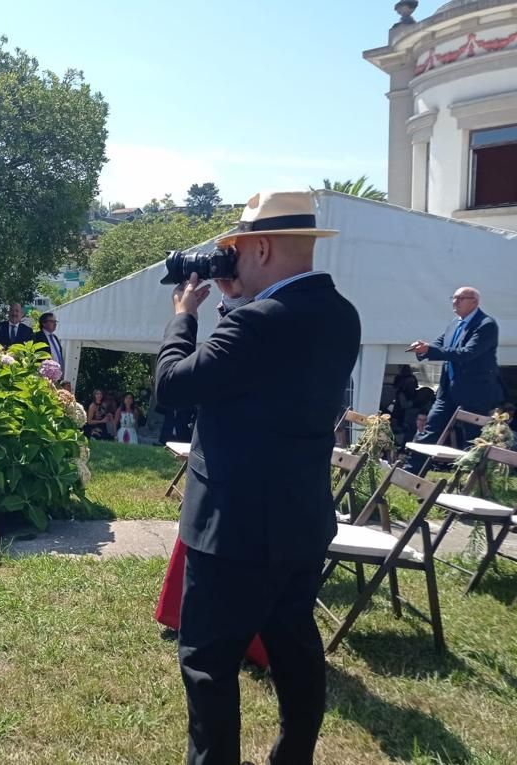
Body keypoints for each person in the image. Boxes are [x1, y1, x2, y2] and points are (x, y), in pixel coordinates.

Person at [155, 191, 361, 765]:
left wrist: (183, 315)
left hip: (234, 529)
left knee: (208, 662)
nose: (230, 262)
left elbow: (173, 383)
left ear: (262, 247)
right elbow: (258, 377)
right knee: (294, 647)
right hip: (300, 520)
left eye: (236, 251)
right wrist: (234, 302)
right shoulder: (341, 314)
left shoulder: (260, 321)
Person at [405, 287, 503, 468]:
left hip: (474, 392)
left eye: (460, 298)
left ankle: (473, 478)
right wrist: (423, 348)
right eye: (454, 298)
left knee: (473, 438)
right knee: (430, 430)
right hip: (447, 391)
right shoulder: (454, 323)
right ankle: (411, 471)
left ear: (474, 302)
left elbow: (466, 353)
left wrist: (430, 350)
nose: (454, 302)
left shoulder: (486, 325)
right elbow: (438, 344)